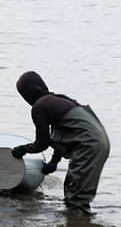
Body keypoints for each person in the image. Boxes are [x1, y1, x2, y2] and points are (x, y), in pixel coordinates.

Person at [11, 71, 110, 215]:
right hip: (98, 142)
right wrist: (53, 163)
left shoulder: (39, 107)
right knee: (74, 189)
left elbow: (42, 143)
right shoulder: (58, 100)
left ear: (28, 93)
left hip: (87, 146)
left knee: (76, 198)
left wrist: (22, 149)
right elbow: (60, 135)